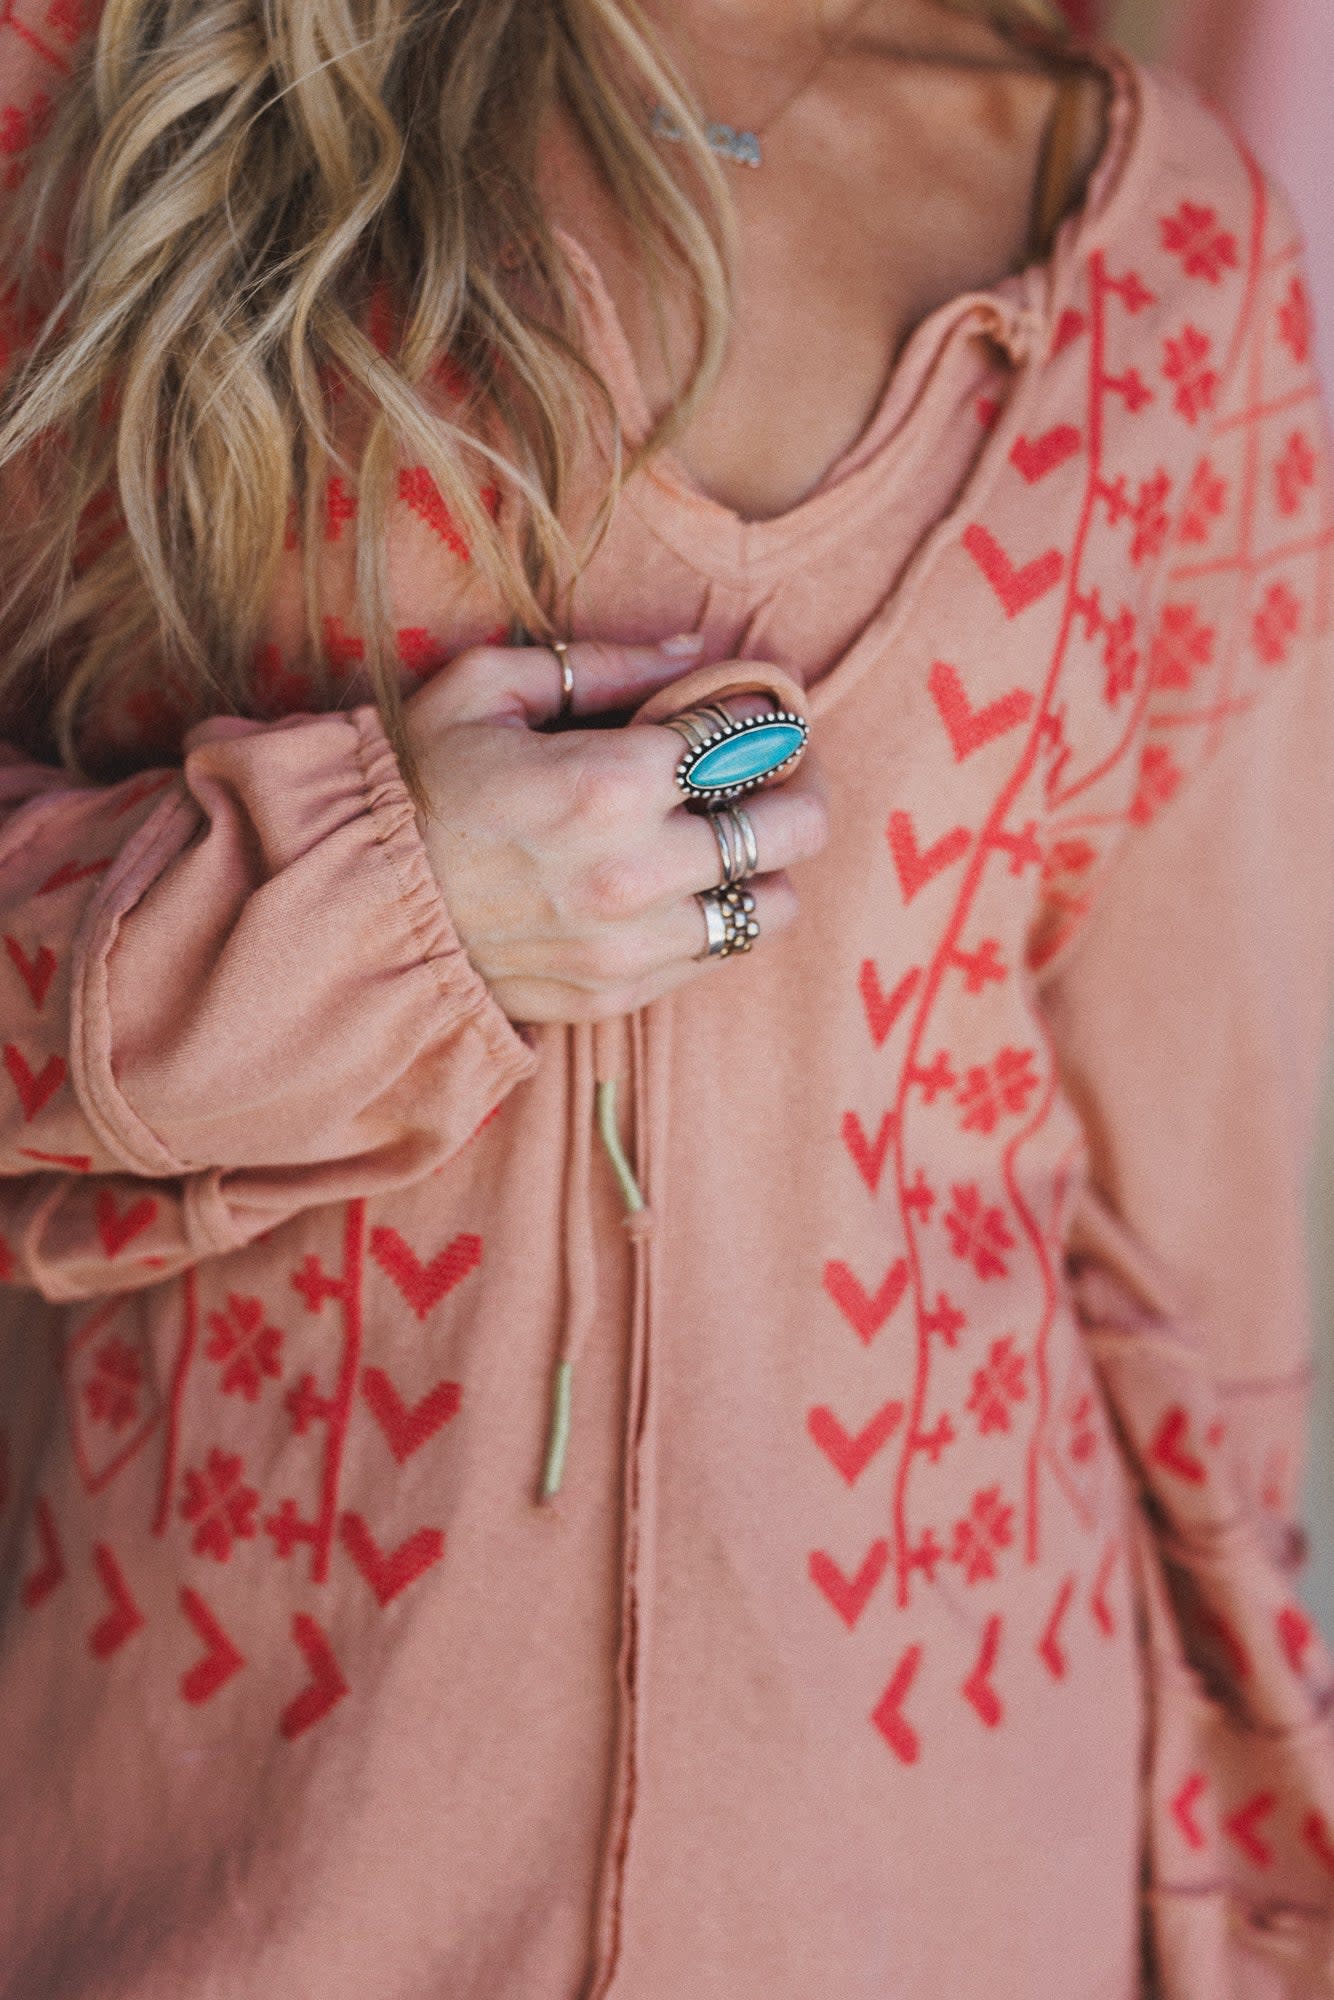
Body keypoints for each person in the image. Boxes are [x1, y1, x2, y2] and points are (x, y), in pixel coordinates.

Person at [0, 0, 1332, 1993]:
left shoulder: (1180, 267)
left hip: (946, 1892)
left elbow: (1194, 1276)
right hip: (229, 1882)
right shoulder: (104, 79)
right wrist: (373, 914)